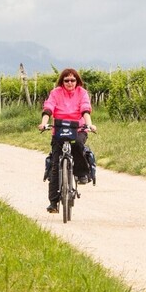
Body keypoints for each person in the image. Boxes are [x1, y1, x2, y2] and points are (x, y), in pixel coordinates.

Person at [38, 68, 97, 213]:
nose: (70, 83)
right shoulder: (55, 93)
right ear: (62, 81)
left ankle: (82, 173)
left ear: (77, 81)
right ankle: (53, 203)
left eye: (72, 80)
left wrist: (89, 124)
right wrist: (44, 122)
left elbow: (85, 109)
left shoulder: (81, 93)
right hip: (59, 129)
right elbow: (48, 108)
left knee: (77, 144)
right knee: (55, 165)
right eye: (66, 80)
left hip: (78, 128)